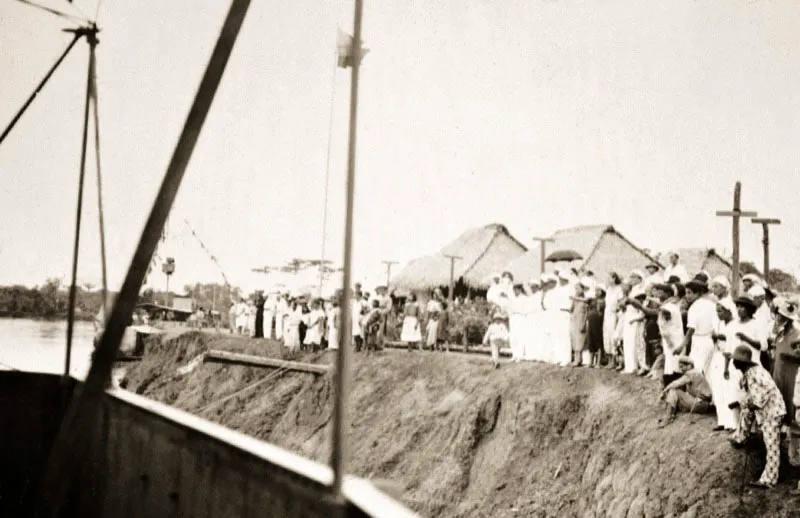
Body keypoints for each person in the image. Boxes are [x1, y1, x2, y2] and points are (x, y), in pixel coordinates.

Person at [729, 345, 786, 489]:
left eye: (735, 360)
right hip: (765, 411)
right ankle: (741, 436)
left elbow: (768, 388)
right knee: (745, 412)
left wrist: (755, 403)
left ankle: (769, 480)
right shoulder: (747, 373)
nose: (733, 362)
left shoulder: (756, 372)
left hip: (772, 411)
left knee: (772, 445)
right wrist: (744, 403)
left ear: (742, 362)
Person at [709, 297, 740, 431]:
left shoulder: (735, 324)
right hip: (718, 356)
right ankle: (722, 420)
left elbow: (731, 342)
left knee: (730, 390)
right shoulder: (720, 324)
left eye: (720, 311)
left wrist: (720, 337)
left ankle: (732, 423)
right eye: (717, 312)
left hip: (730, 359)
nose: (718, 314)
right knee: (718, 389)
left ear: (728, 311)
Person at [658, 356, 714, 427]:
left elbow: (676, 383)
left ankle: (668, 417)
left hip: (701, 403)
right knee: (675, 395)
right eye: (680, 367)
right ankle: (670, 414)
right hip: (702, 403)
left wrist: (664, 390)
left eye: (682, 366)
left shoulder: (692, 373)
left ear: (689, 365)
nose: (681, 369)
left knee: (673, 391)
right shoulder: (696, 372)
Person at [771, 299, 800, 425]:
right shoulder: (781, 333)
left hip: (791, 373)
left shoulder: (797, 334)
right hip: (779, 371)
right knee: (778, 398)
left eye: (781, 317)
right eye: (778, 316)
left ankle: (790, 428)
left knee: (790, 398)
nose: (778, 319)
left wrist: (790, 358)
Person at [681, 279, 717, 376]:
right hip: (709, 342)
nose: (687, 296)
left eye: (689, 293)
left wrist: (682, 345)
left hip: (699, 341)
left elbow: (691, 328)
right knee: (706, 371)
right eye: (686, 293)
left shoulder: (694, 307)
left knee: (695, 371)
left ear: (698, 293)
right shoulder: (712, 304)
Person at [658, 284, 685, 386]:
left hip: (676, 336)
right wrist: (668, 340)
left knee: (675, 360)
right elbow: (664, 327)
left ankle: (674, 383)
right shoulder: (667, 307)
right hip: (671, 337)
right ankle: (669, 383)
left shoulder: (670, 307)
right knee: (671, 360)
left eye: (662, 293)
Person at [603, 272, 624, 369]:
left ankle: (615, 361)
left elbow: (620, 303)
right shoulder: (608, 290)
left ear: (614, 278)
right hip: (607, 314)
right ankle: (610, 360)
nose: (608, 280)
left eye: (610, 278)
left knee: (613, 336)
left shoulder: (619, 289)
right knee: (606, 335)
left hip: (614, 314)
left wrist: (616, 310)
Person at [569, 281, 589, 367]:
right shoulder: (575, 300)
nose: (577, 290)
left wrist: (584, 323)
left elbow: (587, 313)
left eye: (578, 288)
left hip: (581, 320)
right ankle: (577, 359)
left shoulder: (585, 300)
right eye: (576, 289)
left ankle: (578, 360)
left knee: (580, 340)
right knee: (574, 339)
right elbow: (571, 309)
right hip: (574, 320)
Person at [585, 286, 605, 368]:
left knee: (598, 341)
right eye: (595, 290)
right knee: (591, 341)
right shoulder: (592, 300)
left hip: (598, 323)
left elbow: (600, 312)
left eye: (598, 290)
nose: (596, 292)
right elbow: (587, 307)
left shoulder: (603, 300)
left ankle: (598, 362)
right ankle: (590, 362)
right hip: (591, 322)